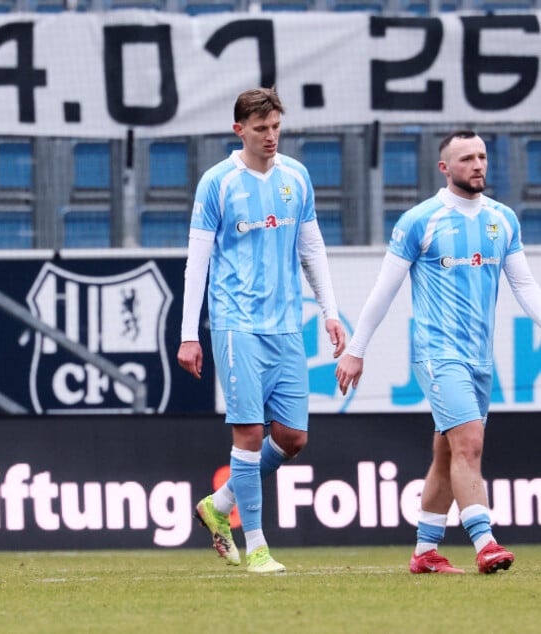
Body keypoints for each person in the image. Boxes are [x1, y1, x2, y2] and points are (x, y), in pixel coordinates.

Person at [336, 130, 539, 575]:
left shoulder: (502, 219)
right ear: (445, 169)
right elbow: (384, 290)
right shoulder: (419, 221)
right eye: (467, 158)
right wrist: (356, 349)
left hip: (480, 358)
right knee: (469, 443)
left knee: (448, 456)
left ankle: (425, 552)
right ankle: (485, 544)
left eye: (483, 156)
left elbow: (524, 284)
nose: (478, 164)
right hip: (437, 353)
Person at [178, 87, 345, 573]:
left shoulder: (297, 176)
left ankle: (220, 504)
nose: (270, 137)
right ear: (239, 131)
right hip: (236, 325)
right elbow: (197, 262)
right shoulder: (218, 183)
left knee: (292, 438)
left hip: (287, 326)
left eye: (275, 127)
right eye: (260, 129)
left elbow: (311, 249)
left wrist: (330, 311)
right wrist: (191, 333)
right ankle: (258, 547)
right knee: (249, 432)